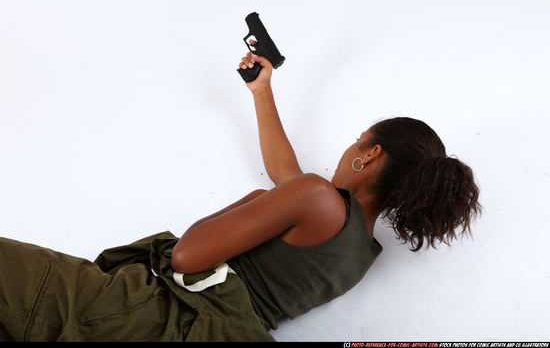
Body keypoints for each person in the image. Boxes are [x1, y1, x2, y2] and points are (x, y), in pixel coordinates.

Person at [0, 44, 481, 342]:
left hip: (155, 317)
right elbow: (286, 173)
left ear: (370, 153)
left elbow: (188, 256)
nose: (347, 148)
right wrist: (262, 91)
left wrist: (251, 201)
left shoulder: (318, 199)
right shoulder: (359, 247)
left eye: (357, 140)